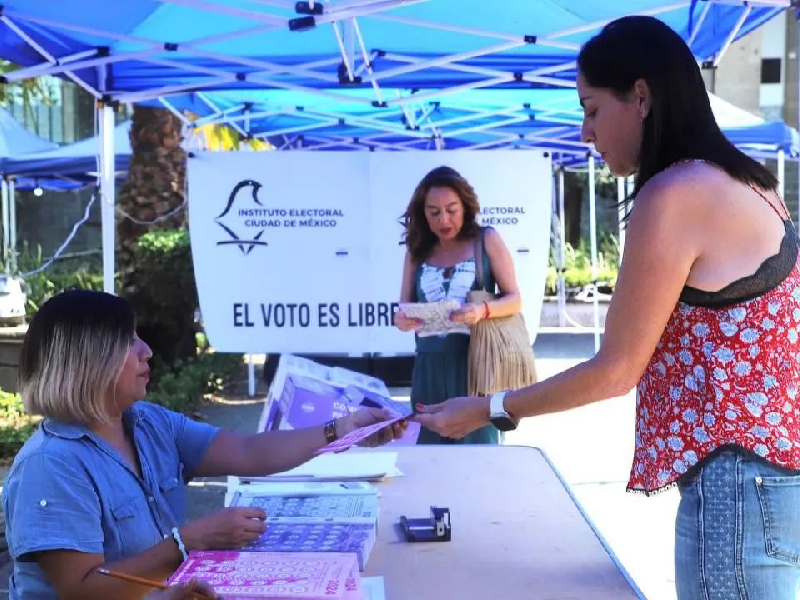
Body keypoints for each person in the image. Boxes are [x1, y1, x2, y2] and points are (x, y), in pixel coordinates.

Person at [413, 15, 800, 600]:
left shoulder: (673, 194)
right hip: (770, 485)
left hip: (737, 492)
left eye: (592, 109)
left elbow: (616, 370)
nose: (586, 133)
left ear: (640, 96)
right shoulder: (748, 182)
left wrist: (488, 408)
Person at [4, 289, 407, 600]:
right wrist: (188, 544)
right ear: (88, 360)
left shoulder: (148, 423)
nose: (147, 351)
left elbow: (250, 452)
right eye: (129, 341)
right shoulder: (51, 465)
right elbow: (82, 591)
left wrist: (343, 429)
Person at [393, 165, 523, 445]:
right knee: (430, 460)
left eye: (451, 209)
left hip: (476, 367)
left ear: (466, 206)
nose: (444, 219)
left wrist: (481, 311)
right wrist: (402, 320)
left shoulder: (486, 239)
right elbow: (402, 308)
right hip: (428, 368)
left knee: (479, 459)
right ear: (422, 212)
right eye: (434, 211)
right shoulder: (416, 251)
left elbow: (515, 299)